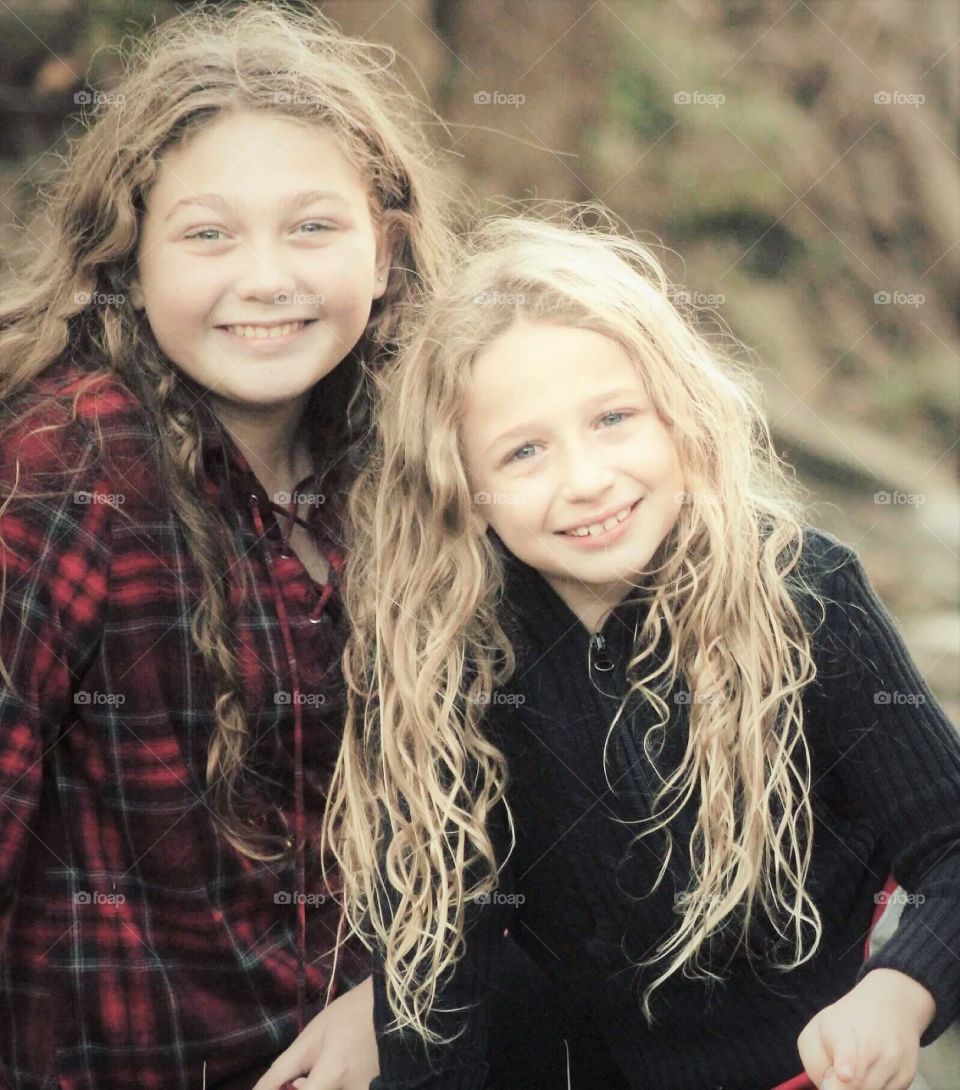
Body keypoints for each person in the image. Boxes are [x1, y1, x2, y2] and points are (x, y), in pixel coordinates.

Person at [326, 215, 960, 1090]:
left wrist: (901, 989)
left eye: (614, 418)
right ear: (464, 491)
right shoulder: (452, 663)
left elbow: (951, 845)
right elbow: (436, 967)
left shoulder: (805, 597)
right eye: (525, 450)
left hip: (830, 1073)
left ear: (680, 415)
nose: (586, 478)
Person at [0, 4, 453, 1088]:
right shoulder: (67, 475)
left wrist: (388, 994)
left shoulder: (412, 463)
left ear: (384, 252)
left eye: (311, 228)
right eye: (208, 234)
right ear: (128, 255)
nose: (266, 278)